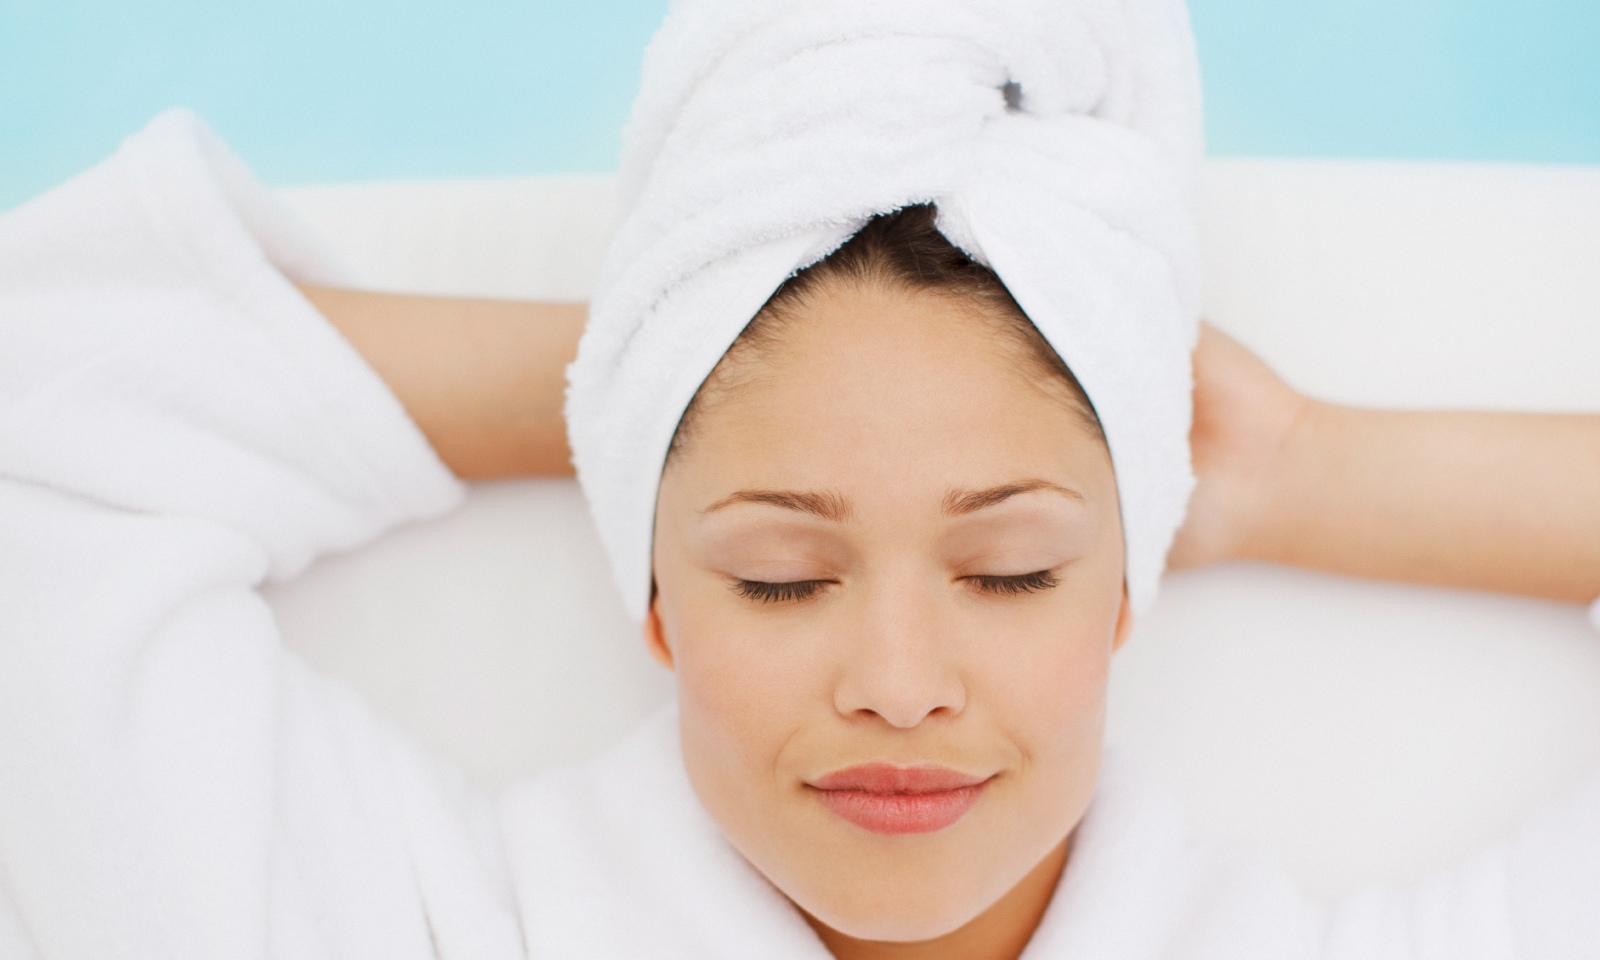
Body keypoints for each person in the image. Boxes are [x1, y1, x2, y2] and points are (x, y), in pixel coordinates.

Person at [3, 4, 1599, 960]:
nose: (897, 687)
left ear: (1126, 592)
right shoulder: (399, 925)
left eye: (1011, 567)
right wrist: (664, 369)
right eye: (778, 572)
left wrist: (1299, 471)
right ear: (652, 598)